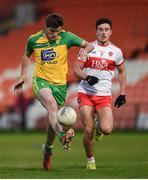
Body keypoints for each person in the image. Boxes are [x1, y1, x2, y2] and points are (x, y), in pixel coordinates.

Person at [14, 13, 94, 171]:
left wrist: (85, 51)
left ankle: (48, 149)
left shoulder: (67, 37)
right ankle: (63, 137)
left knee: (53, 117)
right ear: (45, 28)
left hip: (60, 85)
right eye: (52, 31)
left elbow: (89, 44)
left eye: (57, 31)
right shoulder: (34, 39)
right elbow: (26, 55)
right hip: (41, 81)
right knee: (51, 106)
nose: (55, 34)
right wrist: (23, 76)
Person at [73, 18, 126, 170]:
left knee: (107, 129)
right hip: (86, 93)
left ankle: (99, 127)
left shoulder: (116, 52)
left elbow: (122, 72)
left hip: (104, 96)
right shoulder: (87, 49)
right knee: (88, 130)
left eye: (106, 30)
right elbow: (76, 69)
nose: (103, 33)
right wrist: (87, 77)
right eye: (100, 30)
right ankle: (90, 160)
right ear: (96, 31)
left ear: (111, 32)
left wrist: (122, 93)